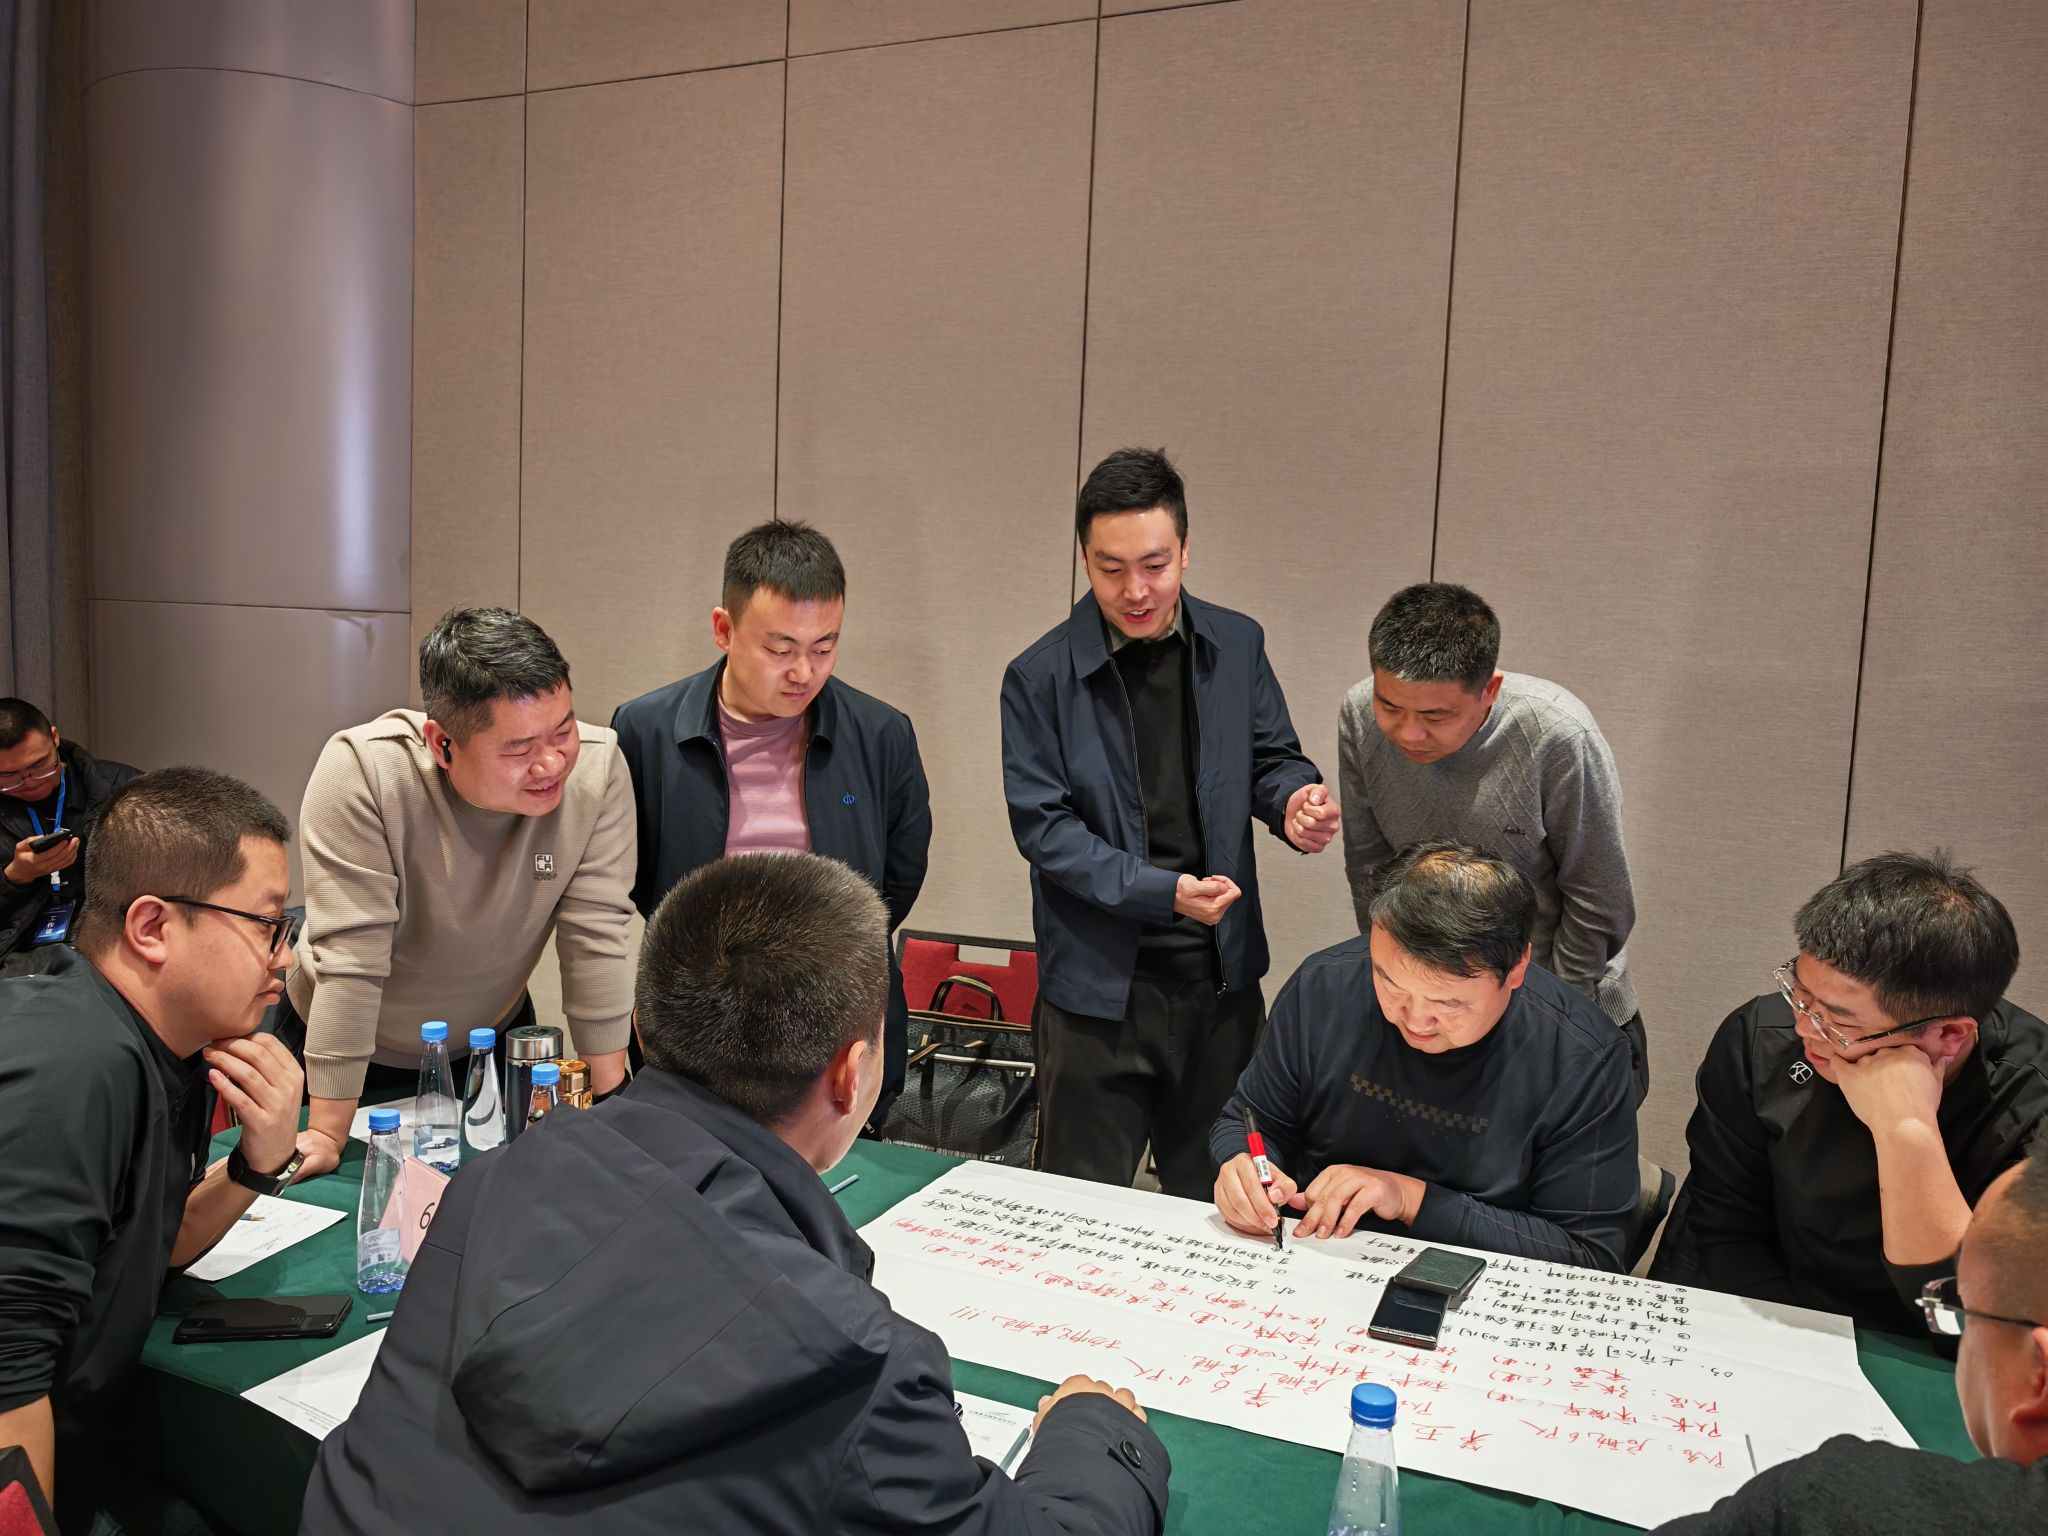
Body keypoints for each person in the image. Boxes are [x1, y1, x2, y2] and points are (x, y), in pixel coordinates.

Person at [302, 852, 1171, 1534]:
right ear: (853, 1073)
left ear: (641, 1029)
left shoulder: (494, 1177)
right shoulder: (858, 1364)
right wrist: (1096, 1433)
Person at [1001, 447, 1339, 1199]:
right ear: (1084, 559)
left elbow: (1271, 757)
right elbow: (1045, 830)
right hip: (1095, 998)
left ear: (1185, 549)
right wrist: (1164, 893)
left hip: (1220, 986)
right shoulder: (1039, 675)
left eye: (1154, 565)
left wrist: (1293, 800)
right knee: (1080, 1211)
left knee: (1228, 1207)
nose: (1135, 590)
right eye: (1111, 568)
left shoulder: (1237, 643)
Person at [0, 768, 306, 1530]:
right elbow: (6, 1375)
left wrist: (257, 1164)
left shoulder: (168, 1047)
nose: (285, 958)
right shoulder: (73, 1064)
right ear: (152, 927)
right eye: (268, 925)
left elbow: (150, 1243)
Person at [286, 608, 636, 1180]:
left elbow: (596, 937)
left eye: (563, 731)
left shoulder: (596, 772)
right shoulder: (366, 773)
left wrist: (612, 1101)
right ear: (442, 744)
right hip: (344, 1060)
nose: (552, 764)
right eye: (520, 749)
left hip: (484, 1047)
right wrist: (327, 1132)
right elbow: (352, 963)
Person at [1651, 851, 2048, 1335]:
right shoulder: (1759, 1038)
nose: (1803, 1027)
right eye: (1799, 994)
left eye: (1838, 1021)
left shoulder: (2032, 1103)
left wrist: (1907, 1131)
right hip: (1778, 1316)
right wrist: (1803, 1348)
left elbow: (1972, 1324)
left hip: (1924, 1347)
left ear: (1949, 1034)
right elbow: (1727, 1230)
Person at [611, 521, 930, 1123]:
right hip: (698, 1014)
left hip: (837, 1015)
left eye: (824, 648)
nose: (803, 672)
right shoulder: (645, 729)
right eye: (780, 650)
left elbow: (900, 875)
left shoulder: (882, 734)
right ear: (724, 630)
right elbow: (632, 876)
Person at [1211, 840, 1638, 1269]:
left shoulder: (1583, 1057)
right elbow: (1250, 1121)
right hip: (1315, 1254)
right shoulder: (1323, 987)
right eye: (1389, 984)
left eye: (1449, 1004)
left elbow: (1587, 1255)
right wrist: (1241, 1164)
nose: (1416, 1020)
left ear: (1517, 968)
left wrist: (1408, 1198)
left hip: (1477, 1276)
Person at [1337, 583, 1649, 1103]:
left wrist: (1553, 1016)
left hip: (1562, 1001)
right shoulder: (1359, 713)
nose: (1408, 733)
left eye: (1435, 716)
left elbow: (1600, 900)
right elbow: (1369, 866)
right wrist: (1398, 988)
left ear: (1490, 689)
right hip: (1435, 1012)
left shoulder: (1557, 735)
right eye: (1389, 705)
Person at [1652, 1140, 2048, 1532]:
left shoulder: (1839, 1503)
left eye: (1963, 1308)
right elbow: (1727, 1224)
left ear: (2040, 1377)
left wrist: (1905, 1128)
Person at [0, 697, 139, 976]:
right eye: (9, 775)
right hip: (16, 957)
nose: (30, 782)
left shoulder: (125, 788)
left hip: (113, 945)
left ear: (54, 738)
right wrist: (14, 878)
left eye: (40, 765)